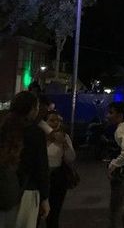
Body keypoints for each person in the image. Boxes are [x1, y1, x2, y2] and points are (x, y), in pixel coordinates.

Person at [0, 91, 49, 228]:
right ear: (31, 109)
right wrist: (45, 198)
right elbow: (41, 168)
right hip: (27, 192)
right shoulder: (35, 133)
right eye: (37, 107)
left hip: (3, 188)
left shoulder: (3, 127)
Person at [45, 111, 76, 228]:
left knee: (54, 212)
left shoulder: (64, 136)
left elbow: (71, 157)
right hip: (41, 176)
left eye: (57, 120)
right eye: (52, 120)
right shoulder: (38, 136)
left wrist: (65, 144)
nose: (55, 123)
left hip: (57, 178)